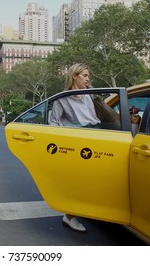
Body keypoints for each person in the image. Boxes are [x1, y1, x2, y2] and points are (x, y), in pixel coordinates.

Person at [48, 63, 101, 233]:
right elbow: (54, 123)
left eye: (88, 75)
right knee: (81, 181)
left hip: (100, 137)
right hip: (80, 142)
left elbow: (101, 115)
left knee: (98, 179)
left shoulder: (91, 95)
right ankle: (69, 216)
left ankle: (94, 210)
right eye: (85, 75)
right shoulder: (62, 98)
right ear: (74, 77)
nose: (88, 79)